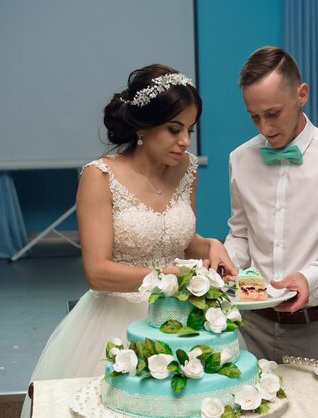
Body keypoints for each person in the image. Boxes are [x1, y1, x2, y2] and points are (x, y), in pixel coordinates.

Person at [21, 64, 237, 417]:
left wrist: (212, 245)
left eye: (190, 130)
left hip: (177, 321)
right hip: (115, 323)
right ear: (142, 128)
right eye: (173, 129)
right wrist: (170, 276)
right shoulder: (99, 176)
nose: (185, 141)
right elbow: (97, 272)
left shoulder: (188, 169)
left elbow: (181, 240)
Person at [224, 46, 318, 363]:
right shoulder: (240, 159)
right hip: (250, 326)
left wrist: (311, 278)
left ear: (302, 94)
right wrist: (228, 263)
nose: (264, 128)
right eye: (254, 116)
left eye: (272, 113)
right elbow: (240, 234)